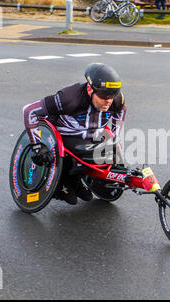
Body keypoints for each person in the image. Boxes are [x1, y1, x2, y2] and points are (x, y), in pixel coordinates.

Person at [22, 63, 127, 205]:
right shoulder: (69, 98)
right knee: (82, 151)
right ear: (90, 89)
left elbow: (121, 112)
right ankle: (62, 184)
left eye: (112, 95)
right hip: (64, 134)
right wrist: (37, 146)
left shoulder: (116, 99)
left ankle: (77, 181)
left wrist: (114, 136)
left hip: (90, 134)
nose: (109, 100)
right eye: (103, 96)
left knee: (110, 150)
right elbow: (29, 110)